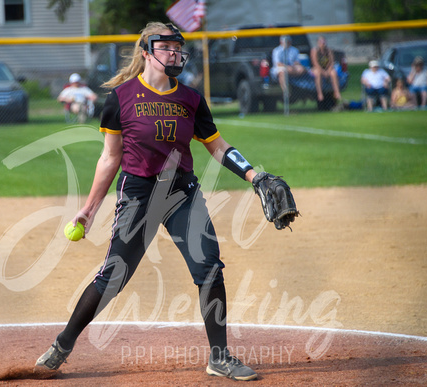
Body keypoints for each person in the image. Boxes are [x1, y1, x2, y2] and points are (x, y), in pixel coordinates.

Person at [35, 22, 265, 381]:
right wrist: (89, 208)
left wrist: (255, 176)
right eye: (166, 47)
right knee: (113, 277)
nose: (175, 53)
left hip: (181, 193)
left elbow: (217, 146)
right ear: (146, 52)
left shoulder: (190, 98)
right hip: (139, 193)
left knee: (209, 269)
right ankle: (63, 344)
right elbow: (110, 157)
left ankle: (219, 357)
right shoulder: (121, 98)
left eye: (178, 47)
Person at [310, 35, 342, 102]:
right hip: (317, 68)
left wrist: (328, 70)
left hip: (326, 69)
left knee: (333, 73)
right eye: (321, 42)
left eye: (324, 42)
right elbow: (315, 63)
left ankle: (336, 92)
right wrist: (323, 72)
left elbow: (331, 62)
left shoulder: (328, 51)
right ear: (318, 43)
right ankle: (320, 93)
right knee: (318, 74)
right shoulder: (315, 50)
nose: (323, 44)